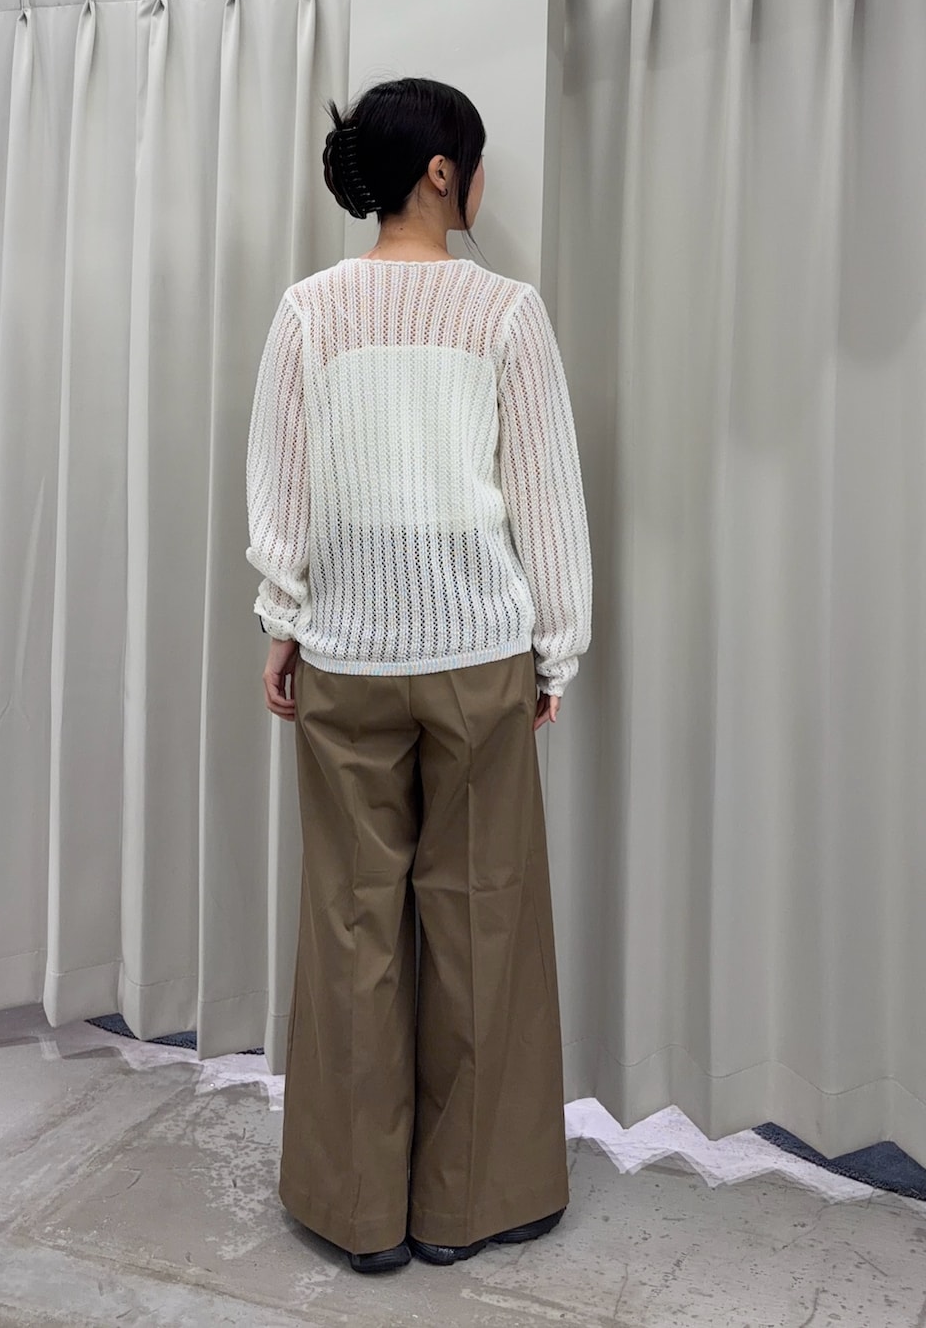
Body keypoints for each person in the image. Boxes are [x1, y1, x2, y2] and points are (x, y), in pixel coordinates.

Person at [245, 77, 593, 1275]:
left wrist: (282, 621)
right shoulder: (505, 313)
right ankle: (471, 1199)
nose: (482, 180)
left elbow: (281, 484)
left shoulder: (309, 312)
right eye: (477, 161)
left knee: (354, 926)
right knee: (482, 917)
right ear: (443, 172)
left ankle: (358, 1211)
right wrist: (557, 646)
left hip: (343, 662)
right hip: (478, 661)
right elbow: (544, 492)